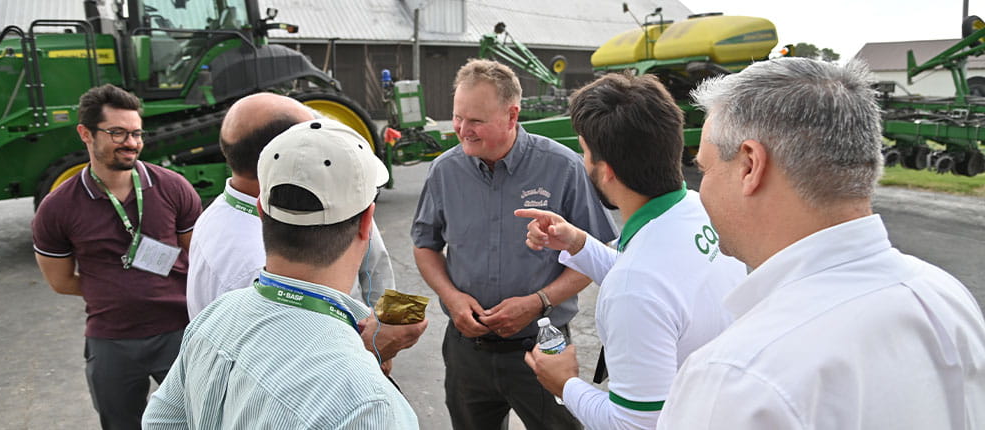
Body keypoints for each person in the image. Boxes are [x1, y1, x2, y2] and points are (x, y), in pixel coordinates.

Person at [657, 58, 985, 429]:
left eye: (704, 169)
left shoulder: (737, 377)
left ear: (750, 165)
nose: (702, 188)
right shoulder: (946, 297)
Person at [143, 118, 419, 428]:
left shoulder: (216, 315)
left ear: (261, 210)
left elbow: (161, 421)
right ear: (368, 220)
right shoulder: (370, 406)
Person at [518, 73, 747, 429]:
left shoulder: (633, 288)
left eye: (585, 151)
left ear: (606, 171)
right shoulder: (694, 206)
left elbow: (635, 425)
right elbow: (665, 285)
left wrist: (564, 383)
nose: (583, 160)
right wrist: (580, 244)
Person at [411, 58, 618, 430]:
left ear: (512, 115)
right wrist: (453, 298)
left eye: (476, 120)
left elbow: (595, 255)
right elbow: (424, 245)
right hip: (466, 352)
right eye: (458, 117)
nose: (463, 130)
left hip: (542, 347)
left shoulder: (562, 167)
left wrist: (538, 302)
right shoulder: (445, 170)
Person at [186, 93, 424, 371]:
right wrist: (378, 351)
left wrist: (390, 322)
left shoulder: (231, 212)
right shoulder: (257, 266)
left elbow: (377, 267)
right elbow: (292, 373)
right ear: (284, 155)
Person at [32, 84, 202, 429]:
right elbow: (61, 280)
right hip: (112, 340)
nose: (131, 142)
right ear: (86, 134)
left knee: (198, 419)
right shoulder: (58, 208)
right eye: (118, 133)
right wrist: (110, 287)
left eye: (136, 133)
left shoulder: (172, 187)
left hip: (179, 333)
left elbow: (197, 257)